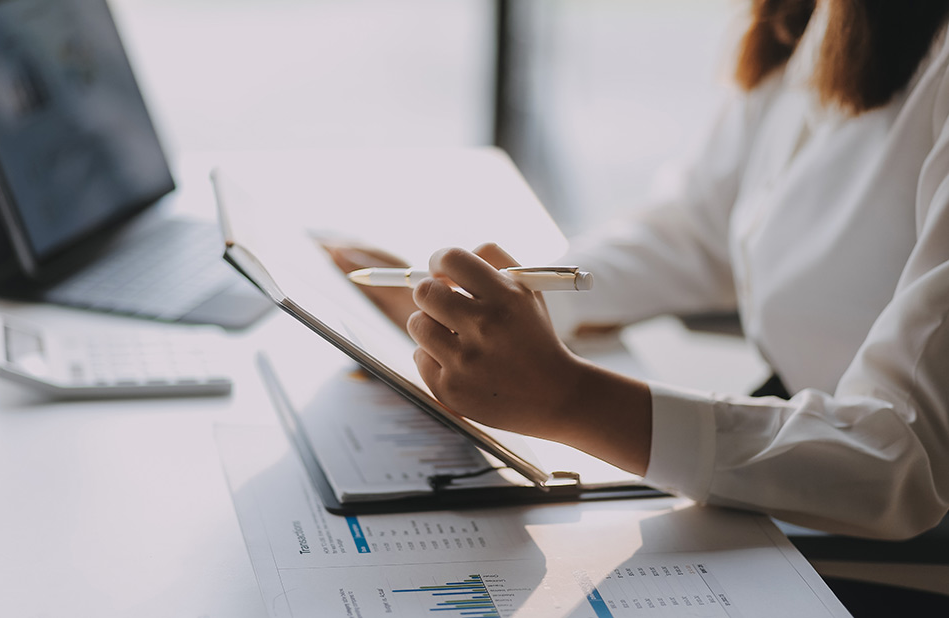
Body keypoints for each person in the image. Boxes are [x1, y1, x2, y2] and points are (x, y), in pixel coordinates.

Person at [327, 0, 949, 542]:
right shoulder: (820, 16)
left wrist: (570, 399)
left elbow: (903, 456)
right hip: (804, 447)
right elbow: (703, 227)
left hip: (893, 533)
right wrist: (482, 307)